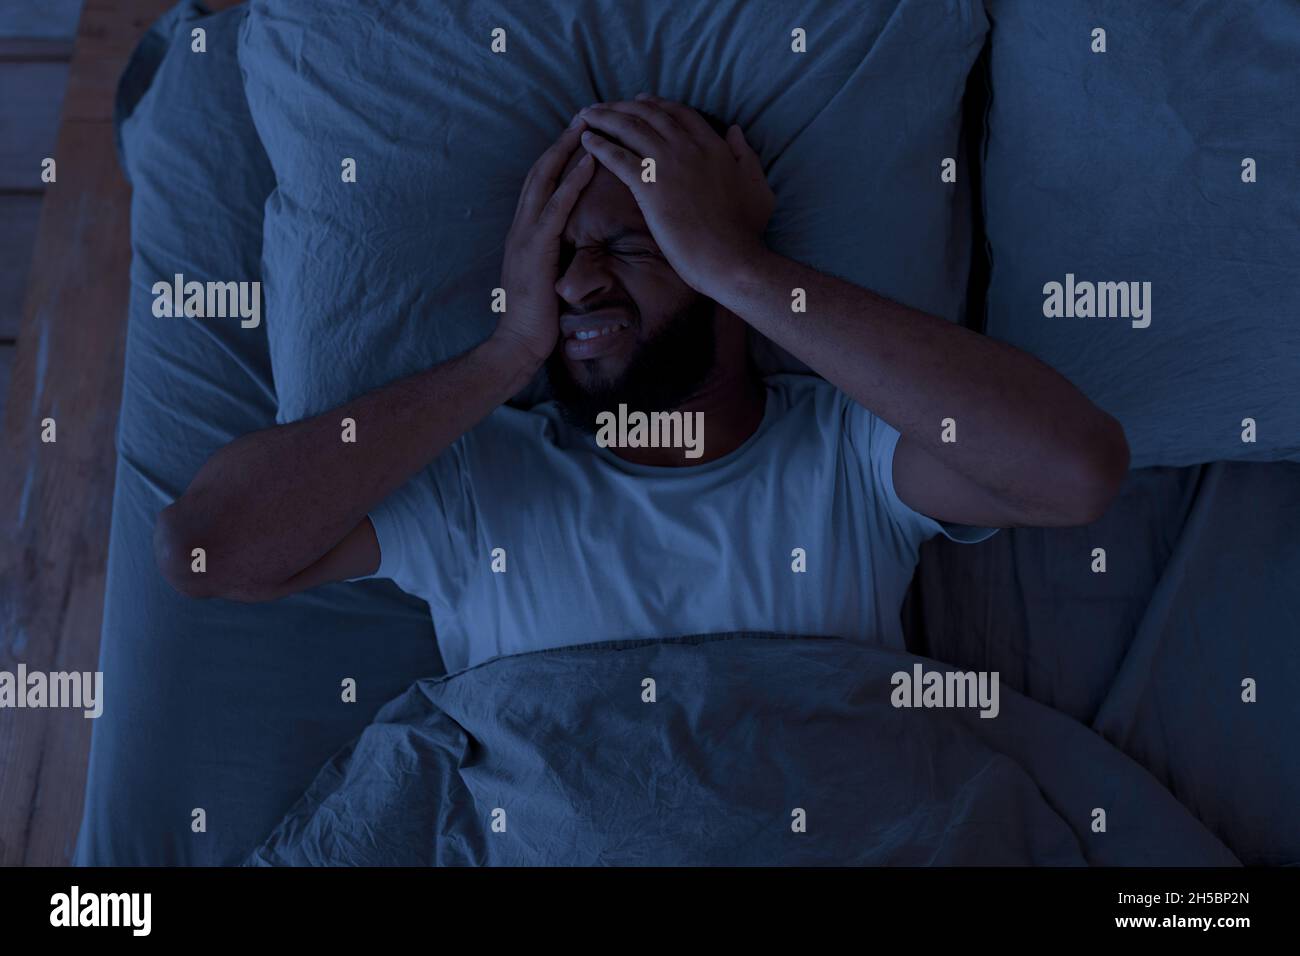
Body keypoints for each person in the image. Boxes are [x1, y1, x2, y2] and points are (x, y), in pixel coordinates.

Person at [155, 96, 1129, 672]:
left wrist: (738, 267)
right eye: (558, 255)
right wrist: (504, 353)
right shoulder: (475, 482)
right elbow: (208, 552)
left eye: (627, 245)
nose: (578, 280)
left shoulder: (849, 452)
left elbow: (1074, 470)